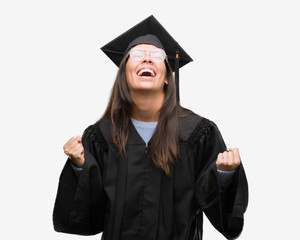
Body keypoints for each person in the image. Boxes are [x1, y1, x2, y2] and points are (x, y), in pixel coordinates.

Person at [53, 15, 248, 240]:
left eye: (157, 56)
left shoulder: (198, 134)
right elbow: (88, 218)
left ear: (167, 76)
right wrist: (80, 167)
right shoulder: (101, 136)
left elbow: (224, 219)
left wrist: (223, 175)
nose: (146, 59)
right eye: (136, 55)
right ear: (124, 74)